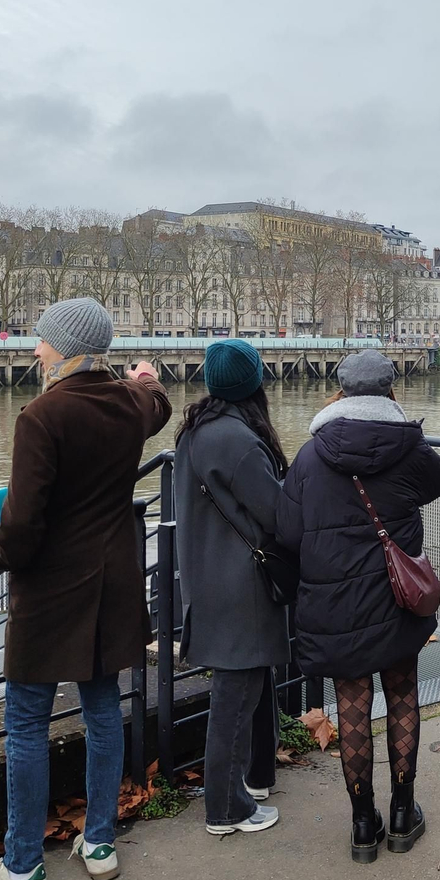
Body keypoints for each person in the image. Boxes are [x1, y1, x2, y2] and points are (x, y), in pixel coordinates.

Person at [0, 298, 171, 880]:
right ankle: (98, 842)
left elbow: (22, 521)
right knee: (102, 710)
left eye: (43, 341)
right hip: (114, 585)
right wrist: (144, 378)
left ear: (69, 349)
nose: (35, 351)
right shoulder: (129, 406)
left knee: (25, 720)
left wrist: (4, 557)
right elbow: (159, 403)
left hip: (52, 592)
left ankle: (22, 868)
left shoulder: (41, 416)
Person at [277, 350, 440, 862]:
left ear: (341, 390)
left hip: (335, 604)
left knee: (351, 706)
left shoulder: (311, 454)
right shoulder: (410, 447)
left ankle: (361, 826)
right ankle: (402, 813)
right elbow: (438, 485)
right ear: (390, 389)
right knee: (401, 696)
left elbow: (287, 531)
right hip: (397, 598)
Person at [172, 337, 290, 837]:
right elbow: (275, 514)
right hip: (242, 586)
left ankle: (242, 789)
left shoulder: (197, 430)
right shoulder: (239, 440)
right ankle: (226, 808)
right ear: (254, 384)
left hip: (209, 579)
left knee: (239, 693)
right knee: (234, 701)